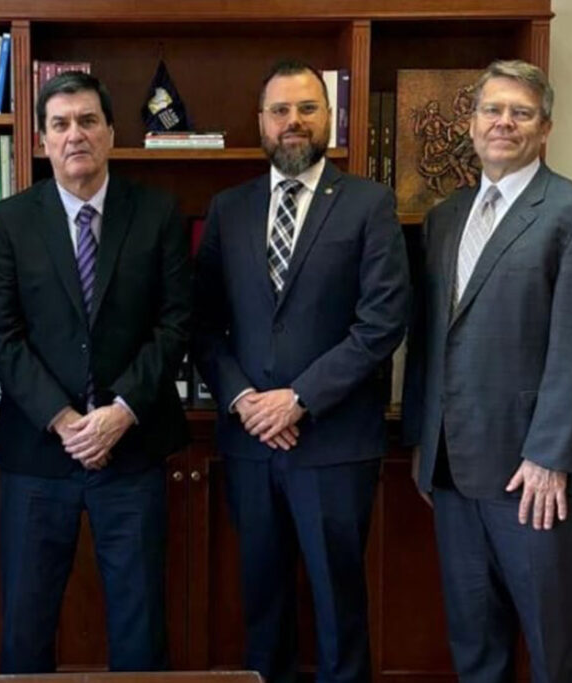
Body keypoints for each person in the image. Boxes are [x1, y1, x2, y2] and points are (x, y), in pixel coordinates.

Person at [402, 59, 572, 682]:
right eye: (491, 110)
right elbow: (431, 341)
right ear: (470, 125)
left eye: (520, 112)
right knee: (476, 649)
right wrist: (424, 443)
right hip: (452, 472)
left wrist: (550, 456)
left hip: (534, 480)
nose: (504, 122)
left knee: (553, 653)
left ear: (544, 127)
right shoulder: (445, 218)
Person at [193, 59, 409, 683]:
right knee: (262, 605)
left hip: (334, 444)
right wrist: (243, 401)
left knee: (339, 609)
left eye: (307, 109)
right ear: (260, 122)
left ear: (329, 119)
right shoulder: (227, 209)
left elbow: (382, 323)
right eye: (280, 110)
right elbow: (204, 325)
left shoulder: (370, 205)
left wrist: (300, 399)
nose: (293, 122)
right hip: (249, 444)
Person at [0, 70, 191, 673]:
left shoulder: (157, 213)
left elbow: (174, 326)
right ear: (42, 140)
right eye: (61, 124)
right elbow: (1, 333)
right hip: (37, 452)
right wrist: (67, 420)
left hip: (133, 448)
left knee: (140, 623)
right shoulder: (10, 220)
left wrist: (119, 412)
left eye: (88, 121)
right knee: (26, 623)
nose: (76, 135)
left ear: (111, 133)